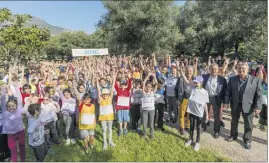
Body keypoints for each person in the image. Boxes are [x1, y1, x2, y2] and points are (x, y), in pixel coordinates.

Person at [223, 62, 263, 149]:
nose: (241, 70)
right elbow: (227, 92)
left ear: (248, 70)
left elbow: (259, 95)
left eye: (243, 68)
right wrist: (226, 102)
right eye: (239, 68)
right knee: (234, 121)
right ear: (237, 69)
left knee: (248, 124)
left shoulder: (255, 80)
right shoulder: (232, 79)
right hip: (235, 104)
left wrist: (258, 107)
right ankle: (233, 135)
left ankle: (247, 140)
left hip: (249, 105)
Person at [202, 63, 227, 138]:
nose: (214, 70)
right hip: (206, 98)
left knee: (217, 116)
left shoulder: (222, 79)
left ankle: (216, 131)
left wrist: (225, 102)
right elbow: (197, 83)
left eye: (215, 69)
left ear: (218, 70)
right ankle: (203, 127)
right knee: (204, 114)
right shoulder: (204, 77)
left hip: (217, 98)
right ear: (209, 69)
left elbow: (225, 91)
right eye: (212, 69)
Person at [185, 76, 209, 152]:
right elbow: (190, 101)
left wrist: (207, 114)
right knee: (191, 126)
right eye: (194, 83)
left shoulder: (204, 92)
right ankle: (190, 139)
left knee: (198, 127)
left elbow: (205, 104)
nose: (195, 84)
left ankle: (197, 142)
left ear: (201, 83)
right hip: (192, 111)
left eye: (197, 83)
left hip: (199, 113)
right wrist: (188, 111)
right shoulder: (192, 90)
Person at [97, 72, 116, 150]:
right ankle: (105, 142)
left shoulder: (110, 98)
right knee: (104, 129)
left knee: (109, 129)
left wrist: (114, 79)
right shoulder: (101, 99)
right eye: (103, 94)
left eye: (106, 94)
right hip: (102, 117)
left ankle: (110, 141)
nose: (105, 95)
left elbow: (111, 89)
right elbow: (98, 89)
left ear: (108, 94)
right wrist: (96, 80)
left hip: (110, 116)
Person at [114, 72, 132, 136]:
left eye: (124, 84)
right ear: (120, 85)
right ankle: (120, 129)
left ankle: (125, 129)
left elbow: (130, 85)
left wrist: (129, 78)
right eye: (122, 84)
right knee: (120, 118)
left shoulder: (127, 89)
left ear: (126, 85)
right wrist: (115, 77)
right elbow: (115, 85)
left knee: (126, 119)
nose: (123, 85)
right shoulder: (118, 89)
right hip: (119, 107)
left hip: (126, 107)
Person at [141, 72, 157, 139]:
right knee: (144, 123)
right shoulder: (144, 93)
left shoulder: (153, 93)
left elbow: (156, 84)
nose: (148, 88)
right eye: (147, 86)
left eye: (150, 87)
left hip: (151, 110)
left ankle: (152, 134)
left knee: (151, 123)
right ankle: (144, 134)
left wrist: (154, 76)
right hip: (144, 110)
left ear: (151, 88)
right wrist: (148, 75)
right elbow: (143, 83)